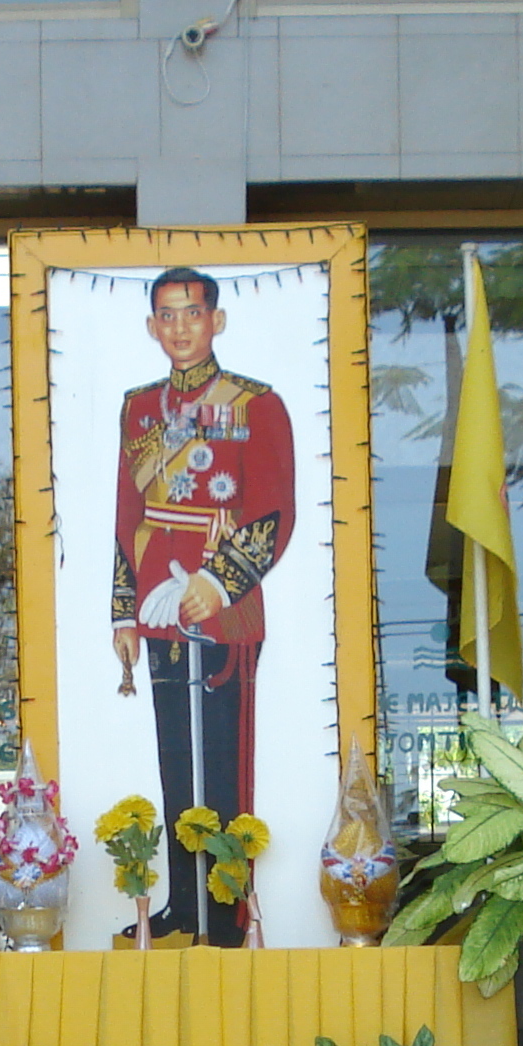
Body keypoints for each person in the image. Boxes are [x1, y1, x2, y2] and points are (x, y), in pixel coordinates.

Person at [110, 266, 294, 945]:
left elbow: (274, 511)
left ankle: (227, 910)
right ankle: (184, 907)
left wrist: (215, 582)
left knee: (222, 758)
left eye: (192, 313)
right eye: (167, 315)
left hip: (223, 600)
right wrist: (123, 612)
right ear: (153, 326)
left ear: (216, 320)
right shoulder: (138, 408)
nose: (180, 327)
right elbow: (129, 514)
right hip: (159, 602)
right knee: (174, 756)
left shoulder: (256, 405)